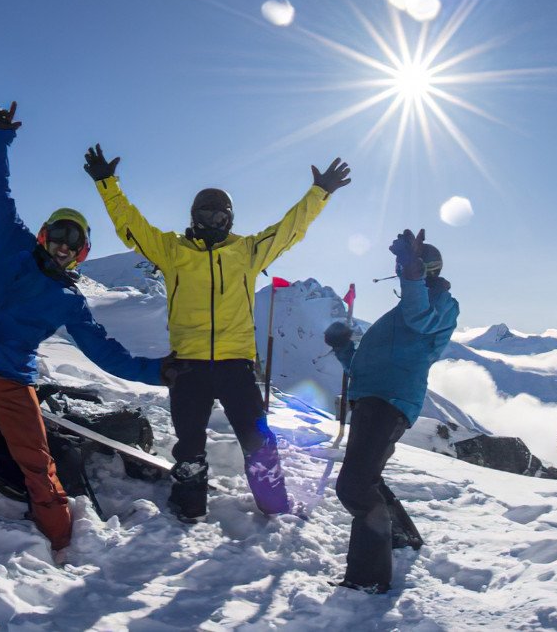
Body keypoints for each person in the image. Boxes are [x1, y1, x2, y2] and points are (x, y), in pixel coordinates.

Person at [0, 103, 164, 551]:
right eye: (58, 234)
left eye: (73, 242)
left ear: (82, 253)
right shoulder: (14, 242)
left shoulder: (71, 301)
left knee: (38, 464)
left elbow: (108, 353)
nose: (63, 246)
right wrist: (1, 136)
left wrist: (159, 372)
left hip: (15, 382)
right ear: (44, 234)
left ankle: (66, 545)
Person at [83, 143, 351, 520]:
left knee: (258, 441)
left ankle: (274, 506)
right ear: (194, 216)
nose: (213, 218)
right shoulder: (171, 250)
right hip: (188, 365)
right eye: (206, 212)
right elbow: (131, 225)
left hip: (235, 366)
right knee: (189, 445)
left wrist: (319, 192)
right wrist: (107, 183)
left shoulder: (248, 251)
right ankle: (189, 508)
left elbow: (290, 229)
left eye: (220, 213)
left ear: (230, 218)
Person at [326, 229, 458, 594]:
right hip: (373, 401)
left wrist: (412, 276)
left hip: (390, 403)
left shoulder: (441, 304)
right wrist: (342, 350)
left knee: (354, 485)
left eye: (406, 265)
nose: (401, 270)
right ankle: (402, 536)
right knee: (367, 479)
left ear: (424, 269)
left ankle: (368, 578)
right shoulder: (404, 310)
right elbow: (368, 368)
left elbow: (420, 320)